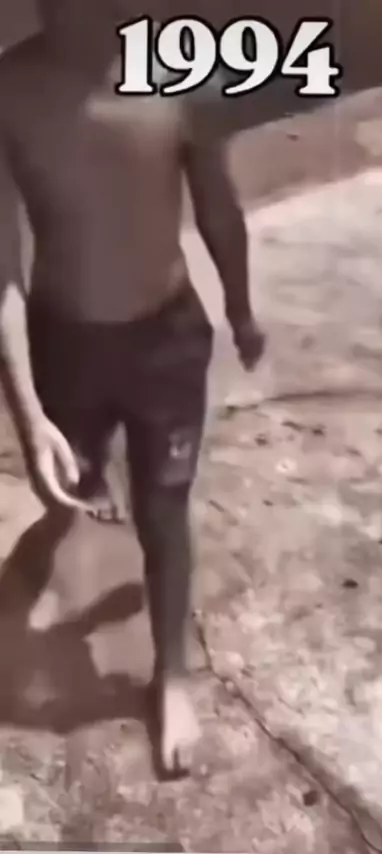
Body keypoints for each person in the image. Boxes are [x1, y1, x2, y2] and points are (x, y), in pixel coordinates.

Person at [0, 0, 265, 774]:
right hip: (65, 343)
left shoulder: (179, 72)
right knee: (68, 482)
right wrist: (29, 417)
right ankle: (80, 483)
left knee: (164, 510)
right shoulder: (10, 92)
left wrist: (241, 308)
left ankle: (172, 675)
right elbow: (2, 274)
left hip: (165, 340)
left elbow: (217, 204)